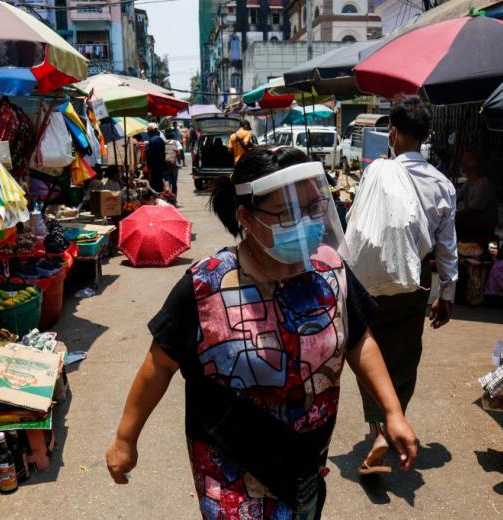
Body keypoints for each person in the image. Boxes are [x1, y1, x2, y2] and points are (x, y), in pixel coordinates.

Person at [106, 147, 417, 519]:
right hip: (232, 468)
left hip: (306, 458)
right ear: (247, 218)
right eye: (288, 213)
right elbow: (158, 365)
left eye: (314, 208)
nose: (306, 222)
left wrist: (392, 411)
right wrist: (126, 439)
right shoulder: (206, 285)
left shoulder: (330, 270)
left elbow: (359, 340)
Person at [347, 95, 458, 474]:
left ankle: (378, 429)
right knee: (404, 356)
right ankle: (394, 424)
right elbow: (447, 248)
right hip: (415, 283)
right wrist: (447, 294)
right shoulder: (442, 184)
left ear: (391, 132)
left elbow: (357, 225)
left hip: (368, 283)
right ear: (426, 135)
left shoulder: (376, 172)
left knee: (367, 350)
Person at [455, 152, 499, 239]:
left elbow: (472, 210)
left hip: (485, 225)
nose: (461, 165)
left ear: (470, 166)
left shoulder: (483, 185)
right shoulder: (468, 184)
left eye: (463, 163)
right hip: (473, 220)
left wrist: (454, 215)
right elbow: (455, 197)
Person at [145, 123, 166, 194]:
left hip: (154, 168)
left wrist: (148, 167)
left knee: (154, 187)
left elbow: (149, 156)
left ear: (150, 132)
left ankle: (156, 200)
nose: (147, 133)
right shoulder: (161, 140)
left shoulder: (151, 141)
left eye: (148, 132)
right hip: (161, 167)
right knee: (160, 185)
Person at [164, 135, 182, 200]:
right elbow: (179, 152)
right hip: (175, 165)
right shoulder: (176, 142)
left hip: (166, 165)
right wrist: (179, 160)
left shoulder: (164, 142)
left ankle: (168, 197)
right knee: (174, 182)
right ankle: (174, 198)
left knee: (168, 182)